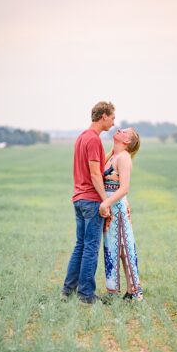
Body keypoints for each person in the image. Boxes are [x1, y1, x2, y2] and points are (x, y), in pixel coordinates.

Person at [61, 101, 114, 305]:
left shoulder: (83, 137)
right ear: (103, 117)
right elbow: (95, 174)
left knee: (81, 245)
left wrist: (113, 152)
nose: (113, 121)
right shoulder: (93, 140)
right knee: (91, 247)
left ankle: (67, 290)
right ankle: (86, 295)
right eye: (112, 117)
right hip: (91, 200)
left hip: (79, 198)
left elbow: (96, 165)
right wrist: (105, 201)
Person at [100, 127, 143, 301]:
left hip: (117, 209)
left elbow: (124, 188)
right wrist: (113, 149)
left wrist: (106, 203)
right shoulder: (113, 156)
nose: (119, 129)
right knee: (113, 248)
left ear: (127, 142)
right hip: (110, 209)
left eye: (124, 132)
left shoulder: (124, 158)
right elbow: (97, 171)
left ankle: (135, 291)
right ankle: (118, 291)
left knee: (125, 247)